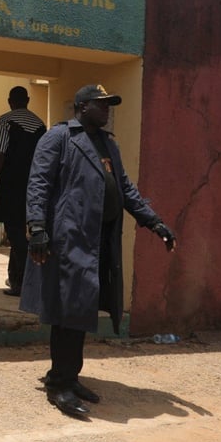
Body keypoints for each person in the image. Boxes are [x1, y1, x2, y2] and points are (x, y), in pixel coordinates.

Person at [22, 84, 176, 420]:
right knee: (66, 313)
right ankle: (58, 385)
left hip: (98, 241)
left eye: (109, 105)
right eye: (101, 104)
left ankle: (69, 376)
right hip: (68, 240)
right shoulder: (59, 137)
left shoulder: (108, 144)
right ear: (81, 106)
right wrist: (36, 228)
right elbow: (39, 183)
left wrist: (155, 223)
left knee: (80, 311)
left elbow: (125, 189)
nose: (107, 110)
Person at [0, 86, 47, 296]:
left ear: (10, 101)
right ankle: (16, 278)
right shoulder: (40, 125)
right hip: (34, 185)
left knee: (15, 234)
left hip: (11, 184)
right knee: (21, 231)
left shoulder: (5, 121)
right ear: (27, 100)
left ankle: (23, 282)